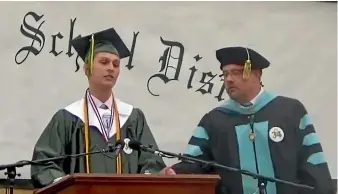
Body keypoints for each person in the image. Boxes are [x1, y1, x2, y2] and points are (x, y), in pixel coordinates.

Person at [160, 47, 334, 194]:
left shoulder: (290, 111)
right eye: (225, 74)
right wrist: (175, 172)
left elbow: (312, 164)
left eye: (236, 72)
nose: (228, 79)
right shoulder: (214, 120)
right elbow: (196, 163)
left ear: (256, 75)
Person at [30, 27, 166, 188]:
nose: (111, 68)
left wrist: (154, 176)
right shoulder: (68, 118)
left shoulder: (133, 117)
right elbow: (43, 164)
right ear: (87, 68)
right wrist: (66, 186)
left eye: (116, 64)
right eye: (104, 62)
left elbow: (152, 162)